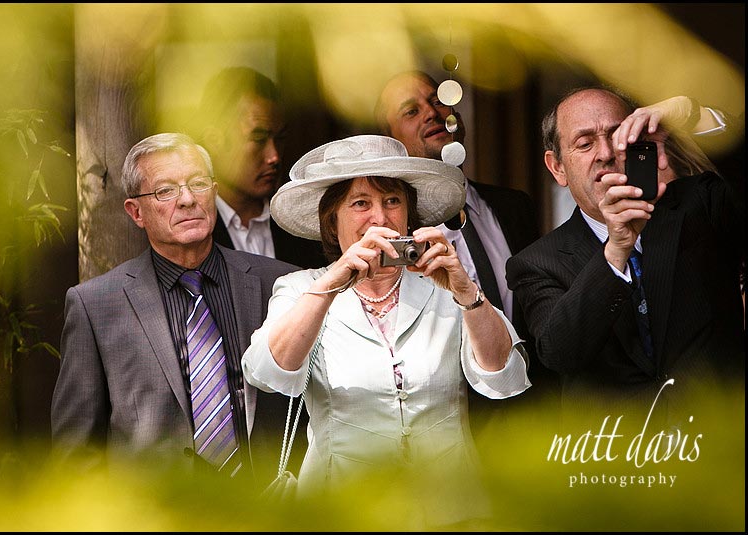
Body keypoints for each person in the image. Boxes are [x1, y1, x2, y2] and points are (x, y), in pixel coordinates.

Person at [241, 135, 531, 528]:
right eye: (361, 203)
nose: (380, 217)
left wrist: (466, 290)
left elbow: (505, 377)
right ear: (333, 221)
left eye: (392, 201)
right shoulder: (302, 289)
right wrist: (336, 278)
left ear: (409, 215)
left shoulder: (444, 287)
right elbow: (268, 373)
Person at [51, 133, 299, 484]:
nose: (187, 200)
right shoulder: (96, 305)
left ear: (213, 192)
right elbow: (76, 455)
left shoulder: (278, 283)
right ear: (136, 212)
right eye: (165, 191)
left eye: (197, 184)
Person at [505, 87, 744, 417]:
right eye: (585, 143)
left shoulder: (700, 204)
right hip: (615, 456)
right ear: (557, 167)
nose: (605, 153)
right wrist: (616, 250)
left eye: (618, 135)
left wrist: (695, 116)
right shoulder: (535, 263)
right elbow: (560, 352)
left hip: (720, 439)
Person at [375, 69, 557, 424]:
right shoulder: (393, 235)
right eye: (411, 111)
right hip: (452, 429)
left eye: (436, 100)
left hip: (534, 418)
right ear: (390, 137)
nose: (431, 112)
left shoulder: (513, 206)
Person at [197, 66, 326, 268]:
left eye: (280, 138)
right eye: (258, 138)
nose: (274, 156)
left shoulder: (301, 225)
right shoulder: (191, 228)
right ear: (214, 140)